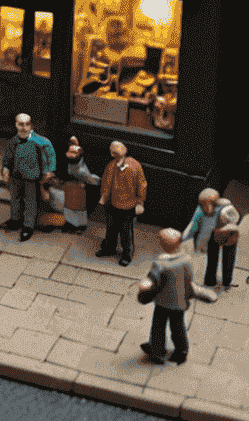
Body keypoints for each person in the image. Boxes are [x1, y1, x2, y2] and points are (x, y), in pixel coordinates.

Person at [140, 227, 213, 365]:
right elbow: (189, 278)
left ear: (162, 244)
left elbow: (153, 280)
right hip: (179, 301)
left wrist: (144, 285)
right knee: (178, 327)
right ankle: (181, 352)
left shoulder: (159, 264)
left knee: (158, 326)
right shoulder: (186, 260)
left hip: (163, 301)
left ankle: (157, 351)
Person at [0, 112, 57, 242]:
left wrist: (49, 171)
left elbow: (50, 156)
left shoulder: (40, 141)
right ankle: (15, 220)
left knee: (30, 201)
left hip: (32, 177)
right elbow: (7, 157)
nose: (24, 127)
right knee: (15, 198)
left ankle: (28, 226)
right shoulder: (13, 141)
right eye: (21, 124)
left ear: (31, 125)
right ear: (16, 125)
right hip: (16, 176)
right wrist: (6, 168)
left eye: (27, 124)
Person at [97, 139, 147, 267]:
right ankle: (109, 247)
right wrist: (104, 196)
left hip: (129, 206)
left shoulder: (134, 166)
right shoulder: (112, 166)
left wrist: (140, 202)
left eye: (113, 151)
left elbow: (142, 185)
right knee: (111, 229)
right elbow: (106, 182)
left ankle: (127, 254)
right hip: (114, 204)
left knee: (126, 233)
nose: (112, 154)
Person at [181, 187, 239, 291]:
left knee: (218, 259)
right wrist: (184, 237)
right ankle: (219, 281)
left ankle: (215, 281)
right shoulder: (204, 211)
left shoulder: (224, 206)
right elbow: (193, 226)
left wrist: (185, 237)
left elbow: (193, 226)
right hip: (217, 236)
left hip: (227, 236)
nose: (207, 208)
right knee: (218, 259)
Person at [60, 135, 99, 233]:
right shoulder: (66, 161)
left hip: (81, 188)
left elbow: (91, 179)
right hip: (69, 187)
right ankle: (70, 223)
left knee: (79, 208)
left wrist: (88, 183)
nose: (71, 153)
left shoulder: (82, 169)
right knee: (68, 206)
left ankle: (80, 225)